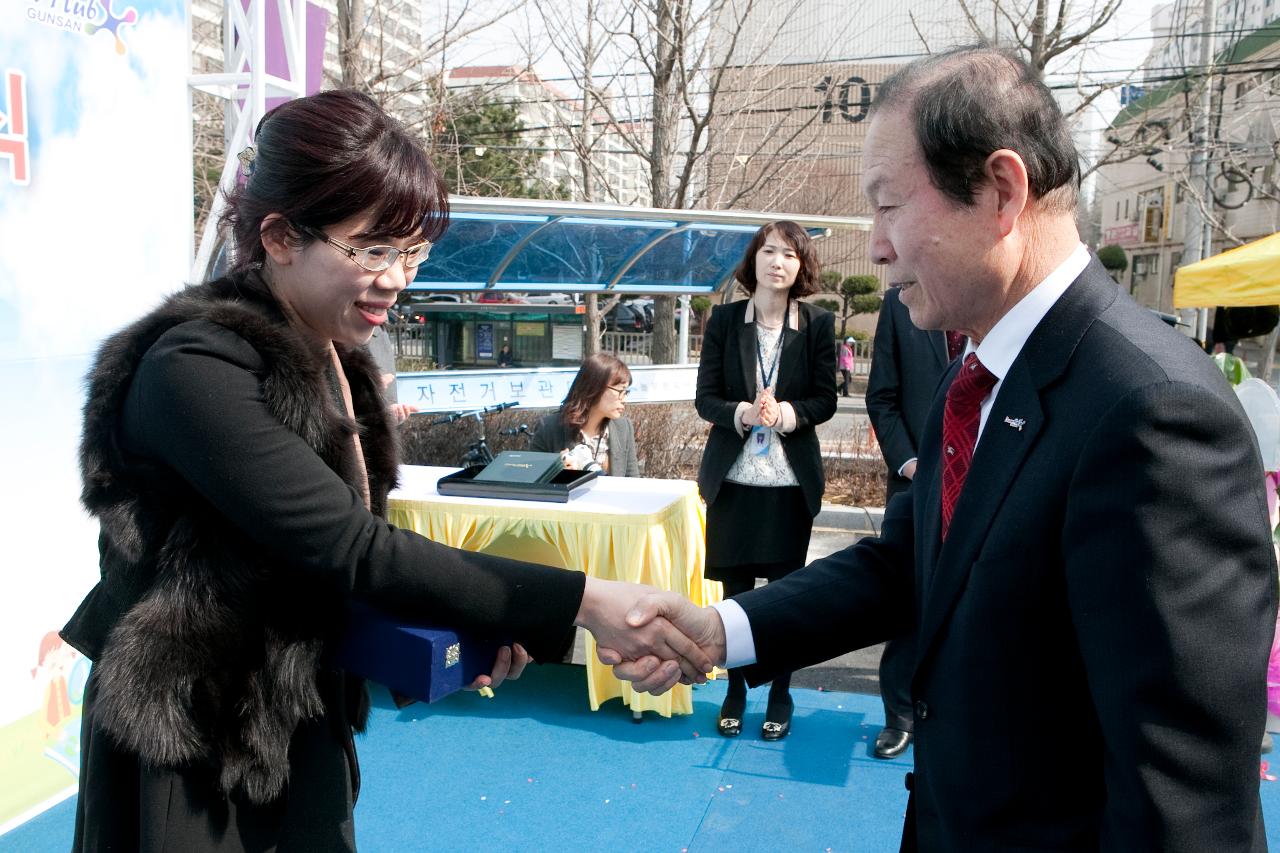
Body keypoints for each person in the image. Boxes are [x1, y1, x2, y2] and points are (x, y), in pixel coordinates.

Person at [608, 46, 1276, 850]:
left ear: (1001, 191)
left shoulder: (1153, 412)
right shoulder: (983, 370)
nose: (877, 245)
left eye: (889, 206)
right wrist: (722, 631)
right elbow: (911, 562)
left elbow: (1184, 803)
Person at [61, 89, 709, 853]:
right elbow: (346, 547)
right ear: (277, 236)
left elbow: (318, 569)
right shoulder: (195, 364)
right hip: (192, 737)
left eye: (412, 251)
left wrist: (447, 627)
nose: (397, 278)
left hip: (300, 723)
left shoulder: (335, 356)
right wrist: (591, 600)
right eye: (371, 249)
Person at [694, 220, 837, 741]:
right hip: (734, 481)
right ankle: (735, 690)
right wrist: (742, 413)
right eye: (769, 251)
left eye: (790, 255)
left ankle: (780, 693)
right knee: (735, 600)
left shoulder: (818, 323)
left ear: (801, 267)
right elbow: (704, 396)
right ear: (753, 260)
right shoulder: (726, 320)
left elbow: (826, 398)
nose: (778, 262)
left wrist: (784, 416)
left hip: (788, 484)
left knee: (784, 600)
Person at [863, 286, 962, 758]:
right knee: (908, 594)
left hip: (985, 479)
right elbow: (881, 396)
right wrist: (910, 463)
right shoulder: (900, 303)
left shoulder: (999, 299)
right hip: (915, 483)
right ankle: (898, 714)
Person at [529, 352, 640, 476]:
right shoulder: (549, 428)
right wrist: (556, 471)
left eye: (626, 392)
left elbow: (633, 482)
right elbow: (533, 481)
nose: (624, 400)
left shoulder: (623, 427)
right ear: (595, 388)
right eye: (620, 391)